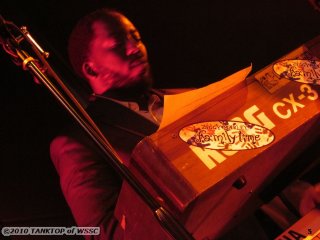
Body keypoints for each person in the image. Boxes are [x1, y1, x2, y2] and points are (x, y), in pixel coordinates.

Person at [50, 7, 320, 240]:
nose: (134, 48)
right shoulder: (81, 142)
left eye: (136, 37)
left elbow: (250, 157)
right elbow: (108, 234)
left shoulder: (190, 97)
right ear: (91, 69)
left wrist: (300, 194)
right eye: (118, 44)